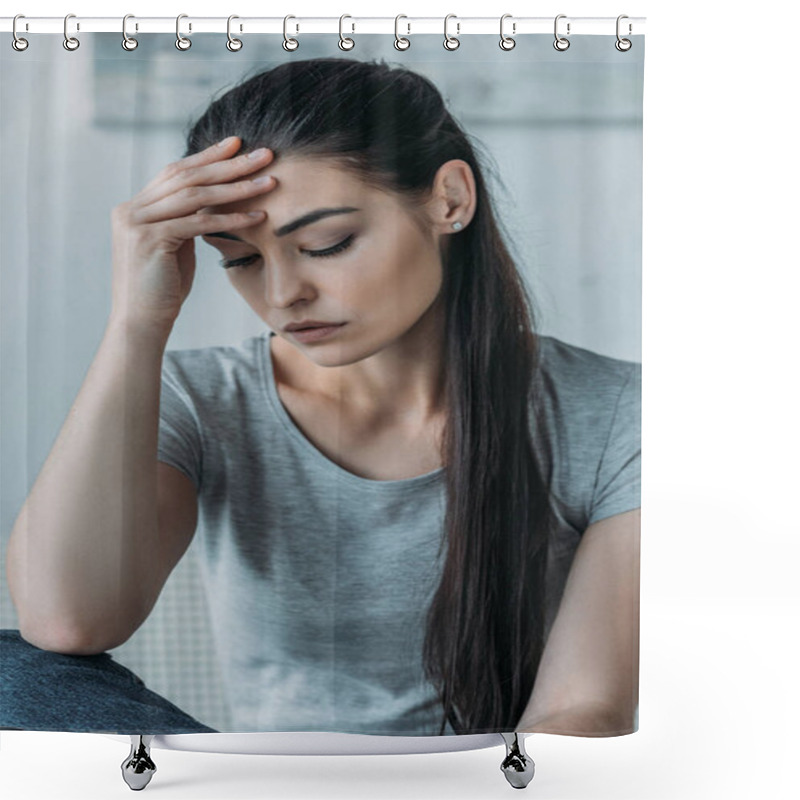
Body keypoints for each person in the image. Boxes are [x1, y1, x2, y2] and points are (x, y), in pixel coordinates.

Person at [2, 58, 640, 737]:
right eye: (240, 260)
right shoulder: (204, 398)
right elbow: (67, 620)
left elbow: (581, 715)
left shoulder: (615, 411)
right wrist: (136, 322)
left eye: (325, 244)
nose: (282, 297)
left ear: (449, 199)